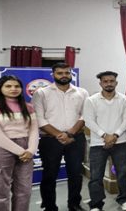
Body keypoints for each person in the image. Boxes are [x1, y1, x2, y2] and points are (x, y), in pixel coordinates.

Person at [32, 62, 89, 211]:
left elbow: (85, 115)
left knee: (76, 174)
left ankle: (74, 204)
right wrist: (60, 135)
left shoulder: (82, 92)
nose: (64, 75)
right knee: (49, 175)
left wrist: (70, 133)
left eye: (67, 72)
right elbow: (40, 119)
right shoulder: (41, 93)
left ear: (71, 74)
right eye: (60, 73)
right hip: (50, 140)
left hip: (75, 138)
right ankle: (50, 206)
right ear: (53, 75)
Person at [0, 75, 38, 211]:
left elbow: (34, 131)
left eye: (17, 86)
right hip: (2, 149)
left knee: (24, 191)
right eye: (8, 86)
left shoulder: (28, 107)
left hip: (26, 150)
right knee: (0, 193)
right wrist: (21, 152)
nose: (13, 89)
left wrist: (31, 150)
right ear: (0, 88)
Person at [82, 71, 126, 211]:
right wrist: (105, 135)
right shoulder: (91, 100)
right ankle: (96, 204)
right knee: (96, 176)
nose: (109, 83)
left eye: (112, 81)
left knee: (122, 173)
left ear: (116, 83)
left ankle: (123, 199)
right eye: (105, 81)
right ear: (100, 83)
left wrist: (115, 135)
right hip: (98, 143)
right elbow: (88, 120)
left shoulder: (124, 99)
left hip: (120, 142)